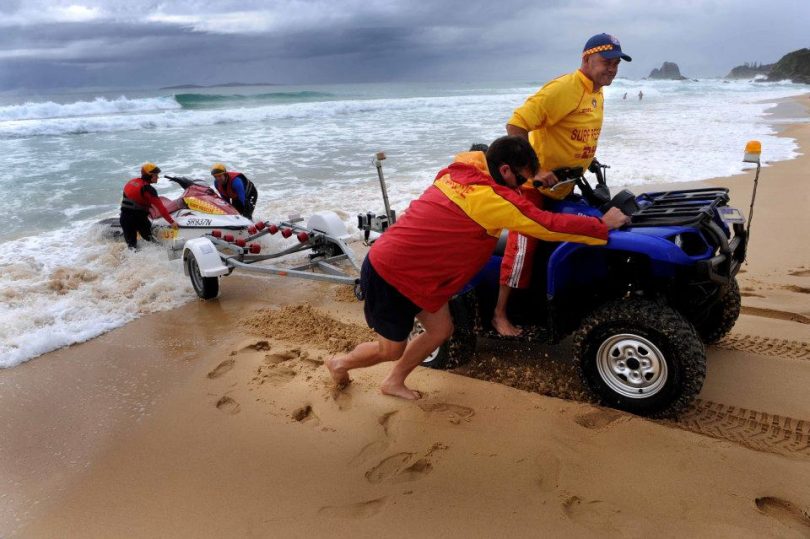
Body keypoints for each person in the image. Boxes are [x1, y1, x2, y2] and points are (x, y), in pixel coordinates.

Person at [325, 136, 629, 400]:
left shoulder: (458, 173)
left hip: (424, 274)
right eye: (520, 178)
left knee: (441, 330)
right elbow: (544, 225)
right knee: (390, 349)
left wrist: (534, 177)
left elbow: (502, 191)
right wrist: (600, 225)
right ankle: (339, 364)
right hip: (390, 272)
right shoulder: (490, 199)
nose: (521, 186)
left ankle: (394, 381)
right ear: (505, 169)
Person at [493, 33, 632, 336]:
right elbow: (516, 124)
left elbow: (574, 132)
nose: (612, 68)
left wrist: (586, 160)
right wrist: (534, 169)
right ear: (586, 60)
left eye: (616, 63)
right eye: (606, 61)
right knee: (522, 248)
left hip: (566, 186)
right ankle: (500, 315)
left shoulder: (596, 91)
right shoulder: (565, 88)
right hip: (534, 189)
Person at [119, 163, 178, 250]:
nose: (158, 177)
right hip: (139, 219)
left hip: (124, 218)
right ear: (150, 175)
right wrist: (172, 222)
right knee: (152, 241)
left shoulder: (131, 182)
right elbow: (161, 208)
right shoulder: (148, 189)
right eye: (156, 175)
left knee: (131, 247)